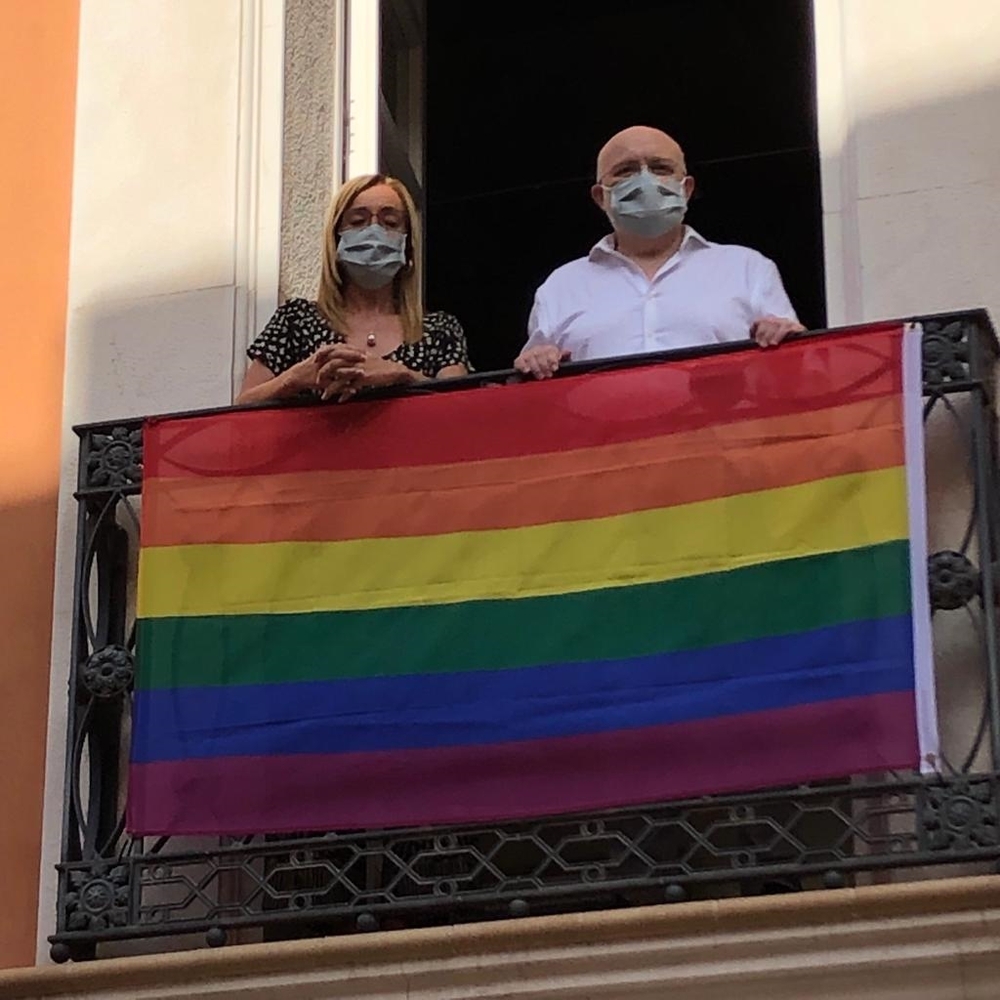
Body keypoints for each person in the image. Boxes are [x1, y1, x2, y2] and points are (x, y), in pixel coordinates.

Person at [515, 126, 805, 379]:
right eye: (625, 170)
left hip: (723, 438)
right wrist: (536, 362)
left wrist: (788, 341)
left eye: (661, 168)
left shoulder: (747, 268)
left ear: (687, 188)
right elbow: (536, 383)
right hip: (606, 440)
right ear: (600, 197)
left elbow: (793, 369)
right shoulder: (560, 287)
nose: (646, 181)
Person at [238, 174, 469, 404]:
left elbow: (461, 409)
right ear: (336, 240)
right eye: (358, 222)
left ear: (407, 244)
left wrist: (403, 375)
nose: (374, 233)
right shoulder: (296, 320)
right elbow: (241, 407)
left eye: (390, 223)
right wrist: (295, 378)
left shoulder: (439, 330)